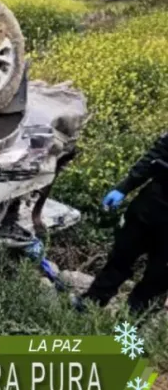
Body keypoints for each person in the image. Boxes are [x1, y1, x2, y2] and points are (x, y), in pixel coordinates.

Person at [77, 131, 168, 314]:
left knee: (156, 281)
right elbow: (156, 155)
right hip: (150, 205)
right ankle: (88, 307)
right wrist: (124, 187)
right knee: (120, 258)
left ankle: (126, 332)